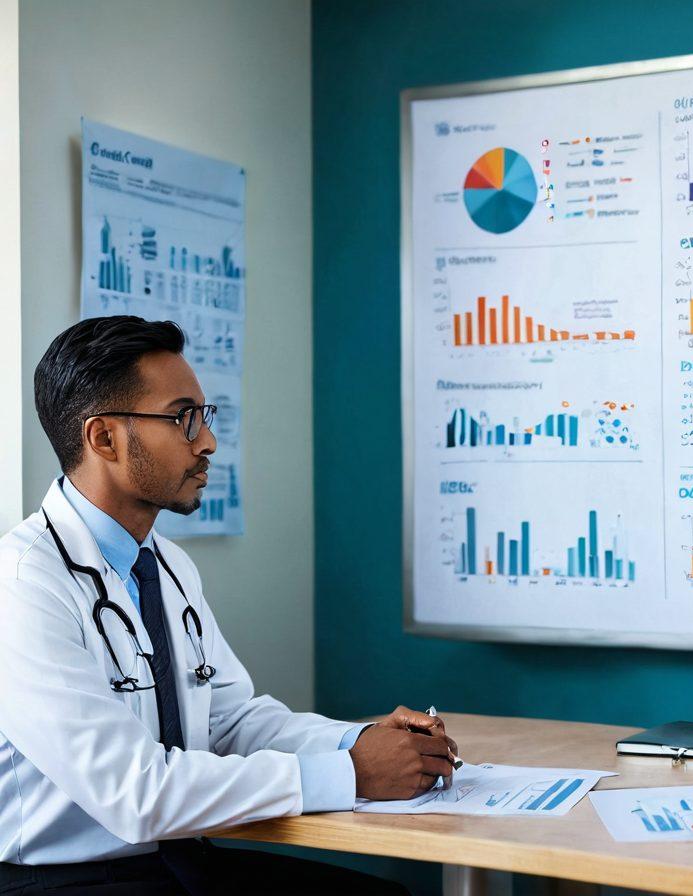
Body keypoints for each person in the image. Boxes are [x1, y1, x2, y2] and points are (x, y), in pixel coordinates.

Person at [0, 316, 459, 895]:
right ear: (103, 438)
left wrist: (355, 742)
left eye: (204, 417)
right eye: (182, 418)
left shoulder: (165, 565)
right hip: (64, 882)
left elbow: (230, 722)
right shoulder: (21, 586)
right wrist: (351, 774)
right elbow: (136, 795)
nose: (207, 441)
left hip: (177, 860)